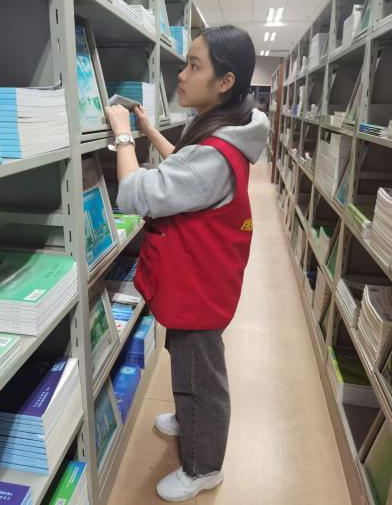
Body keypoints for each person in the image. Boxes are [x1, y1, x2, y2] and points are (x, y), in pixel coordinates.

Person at [105, 25, 269, 502]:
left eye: (194, 66)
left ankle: (204, 467)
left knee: (203, 378)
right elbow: (185, 165)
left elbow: (134, 194)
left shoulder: (216, 154)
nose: (181, 75)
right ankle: (187, 418)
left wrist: (121, 136)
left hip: (199, 289)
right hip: (199, 282)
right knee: (187, 361)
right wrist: (148, 131)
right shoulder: (225, 134)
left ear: (225, 82)